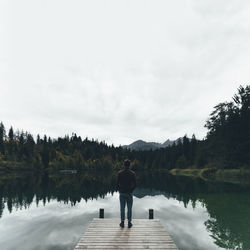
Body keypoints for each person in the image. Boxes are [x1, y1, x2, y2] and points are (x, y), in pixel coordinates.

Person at [116, 159, 136, 228]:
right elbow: (135, 184)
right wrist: (131, 190)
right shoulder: (132, 173)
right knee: (129, 209)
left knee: (122, 208)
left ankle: (122, 222)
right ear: (129, 165)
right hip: (129, 193)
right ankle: (129, 223)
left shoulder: (120, 173)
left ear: (124, 165)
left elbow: (117, 184)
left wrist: (120, 190)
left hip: (122, 193)